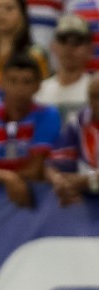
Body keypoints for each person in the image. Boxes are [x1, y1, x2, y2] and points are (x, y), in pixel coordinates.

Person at [0, 53, 61, 208]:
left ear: (38, 86)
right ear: (2, 82)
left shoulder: (48, 115)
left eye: (26, 82)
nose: (19, 88)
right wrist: (7, 177)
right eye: (13, 81)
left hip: (36, 202)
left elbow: (35, 170)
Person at [47, 74, 99, 205]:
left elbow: (88, 182)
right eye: (94, 96)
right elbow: (51, 164)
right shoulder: (78, 122)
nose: (97, 102)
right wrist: (59, 181)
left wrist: (86, 182)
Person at [35, 14, 92, 121]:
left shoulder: (94, 91)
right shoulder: (39, 91)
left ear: (90, 49)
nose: (69, 47)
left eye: (77, 42)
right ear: (53, 46)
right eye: (63, 41)